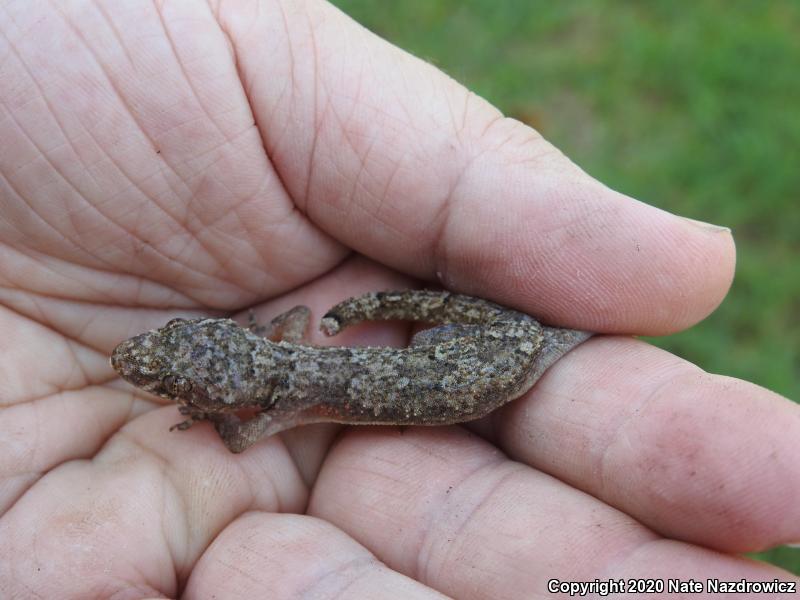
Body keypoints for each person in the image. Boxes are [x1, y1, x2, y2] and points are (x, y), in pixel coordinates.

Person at [0, 1, 797, 597]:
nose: (150, 369)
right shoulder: (279, 362)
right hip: (480, 357)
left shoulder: (266, 409)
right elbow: (290, 330)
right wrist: (256, 349)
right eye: (179, 375)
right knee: (481, 335)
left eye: (175, 372)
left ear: (240, 390)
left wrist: (214, 413)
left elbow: (242, 440)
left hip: (487, 374)